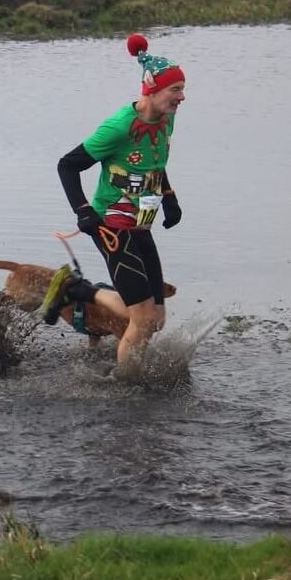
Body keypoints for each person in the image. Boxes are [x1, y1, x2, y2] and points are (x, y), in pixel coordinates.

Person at [43, 33, 185, 368]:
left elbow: (156, 162)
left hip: (141, 225)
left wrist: (169, 196)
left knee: (156, 319)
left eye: (181, 88)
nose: (182, 97)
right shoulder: (118, 128)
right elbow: (68, 165)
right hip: (111, 225)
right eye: (175, 90)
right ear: (151, 89)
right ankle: (128, 389)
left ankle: (81, 292)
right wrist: (83, 212)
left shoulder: (167, 118)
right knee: (141, 319)